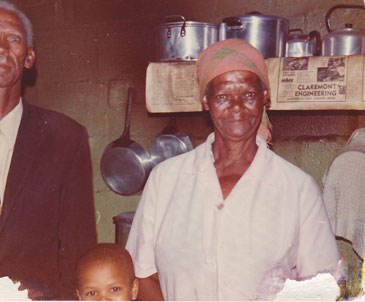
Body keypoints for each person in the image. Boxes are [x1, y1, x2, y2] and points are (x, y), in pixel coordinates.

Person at [126, 38, 345, 301]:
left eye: (249, 95)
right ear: (206, 101)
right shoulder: (166, 179)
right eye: (222, 96)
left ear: (265, 98)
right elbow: (141, 274)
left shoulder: (298, 188)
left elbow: (324, 287)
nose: (237, 107)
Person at [0, 1, 97, 300]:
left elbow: (78, 250)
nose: (1, 47)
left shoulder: (65, 138)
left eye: (13, 39)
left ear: (29, 58)